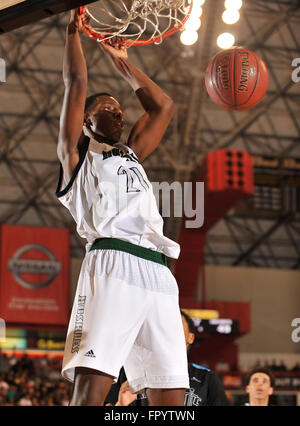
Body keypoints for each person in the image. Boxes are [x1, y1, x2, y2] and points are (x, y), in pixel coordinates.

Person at [56, 9, 189, 406]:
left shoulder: (131, 154)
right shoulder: (77, 161)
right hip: (111, 265)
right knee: (92, 390)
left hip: (159, 275)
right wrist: (73, 36)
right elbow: (75, 83)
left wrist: (123, 63)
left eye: (120, 109)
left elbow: (163, 107)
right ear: (85, 123)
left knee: (172, 396)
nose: (118, 111)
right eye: (106, 109)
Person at [105, 310, 229, 406]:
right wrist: (120, 405)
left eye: (176, 328)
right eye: (163, 329)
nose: (169, 333)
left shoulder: (207, 379)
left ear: (190, 338)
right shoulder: (127, 373)